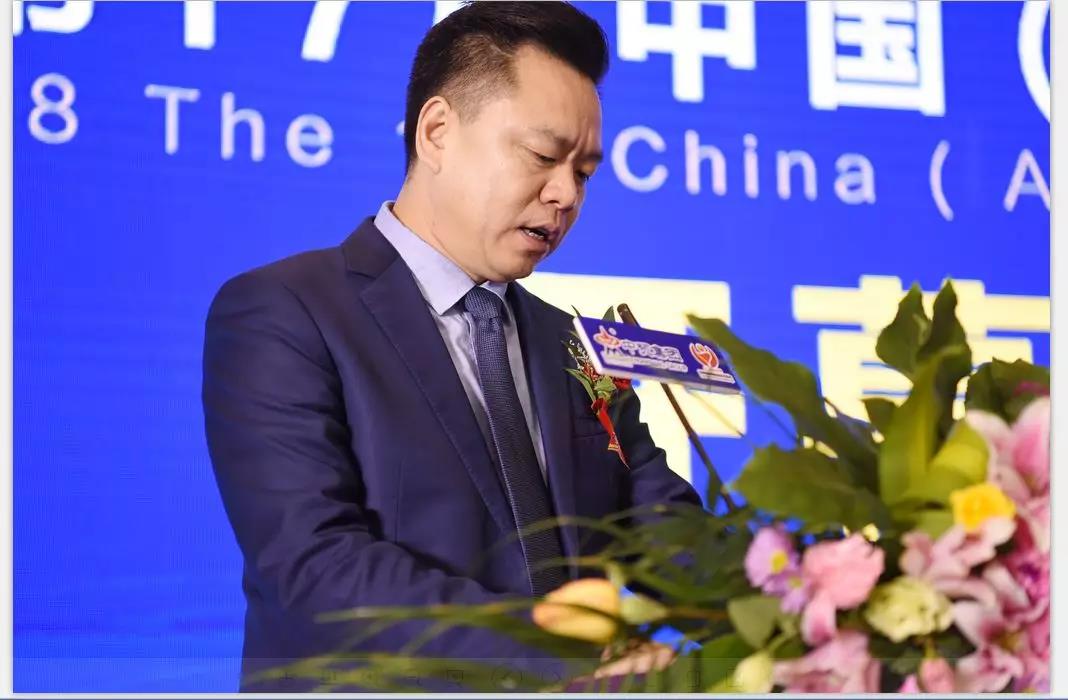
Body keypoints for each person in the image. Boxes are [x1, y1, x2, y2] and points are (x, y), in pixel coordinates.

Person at [202, 1, 701, 692]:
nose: (565, 194)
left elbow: (660, 531)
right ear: (437, 132)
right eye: (543, 156)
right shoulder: (285, 310)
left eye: (584, 172)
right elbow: (315, 570)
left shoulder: (573, 344)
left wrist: (815, 589)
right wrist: (552, 650)